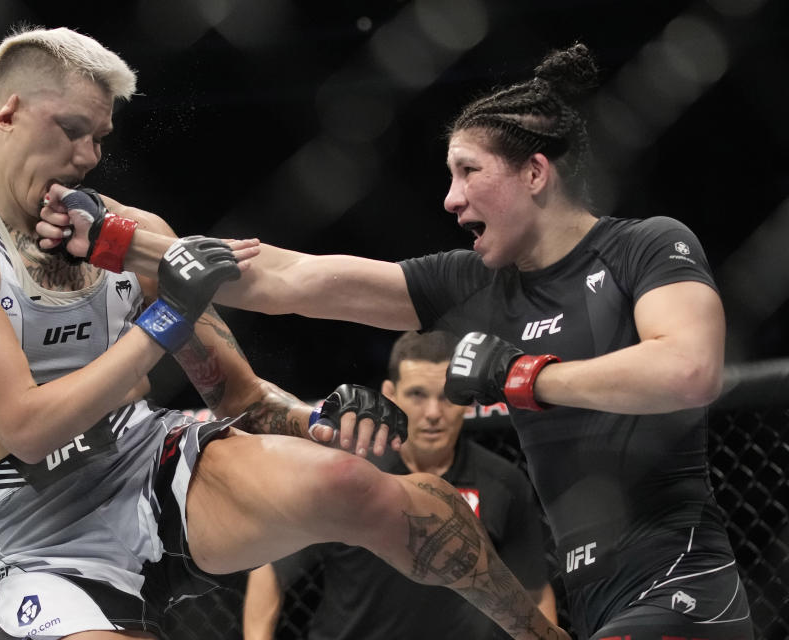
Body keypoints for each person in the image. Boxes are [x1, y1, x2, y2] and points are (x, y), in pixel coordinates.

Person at [42, 43, 754, 640]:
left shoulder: (646, 247)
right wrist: (116, 242)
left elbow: (689, 368)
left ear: (536, 174)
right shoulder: (474, 284)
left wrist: (526, 377)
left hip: (684, 579)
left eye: (469, 172)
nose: (450, 199)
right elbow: (290, 278)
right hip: (596, 597)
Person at [0, 25, 569, 640]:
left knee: (355, 484)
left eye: (99, 137)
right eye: (70, 129)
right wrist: (166, 318)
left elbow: (240, 399)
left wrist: (320, 424)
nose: (85, 156)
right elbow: (26, 427)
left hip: (156, 468)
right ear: (8, 112)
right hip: (49, 532)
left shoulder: (130, 232)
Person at [243, 330, 557, 640]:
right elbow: (271, 569)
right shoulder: (348, 474)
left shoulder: (503, 481)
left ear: (466, 399)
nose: (433, 413)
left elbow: (535, 593)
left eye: (446, 396)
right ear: (391, 394)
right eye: (418, 395)